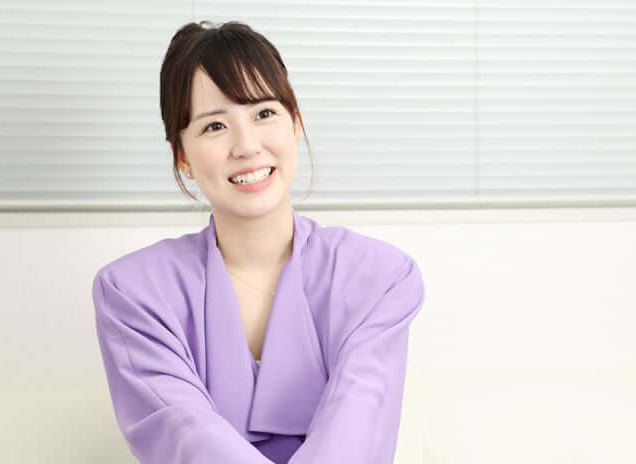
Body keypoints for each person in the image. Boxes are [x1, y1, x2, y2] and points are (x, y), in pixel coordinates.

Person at [91, 20, 425, 464]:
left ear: (295, 125)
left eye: (264, 113)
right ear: (182, 156)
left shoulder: (379, 279)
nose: (247, 146)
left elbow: (357, 429)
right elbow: (185, 434)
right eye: (214, 126)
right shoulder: (133, 294)